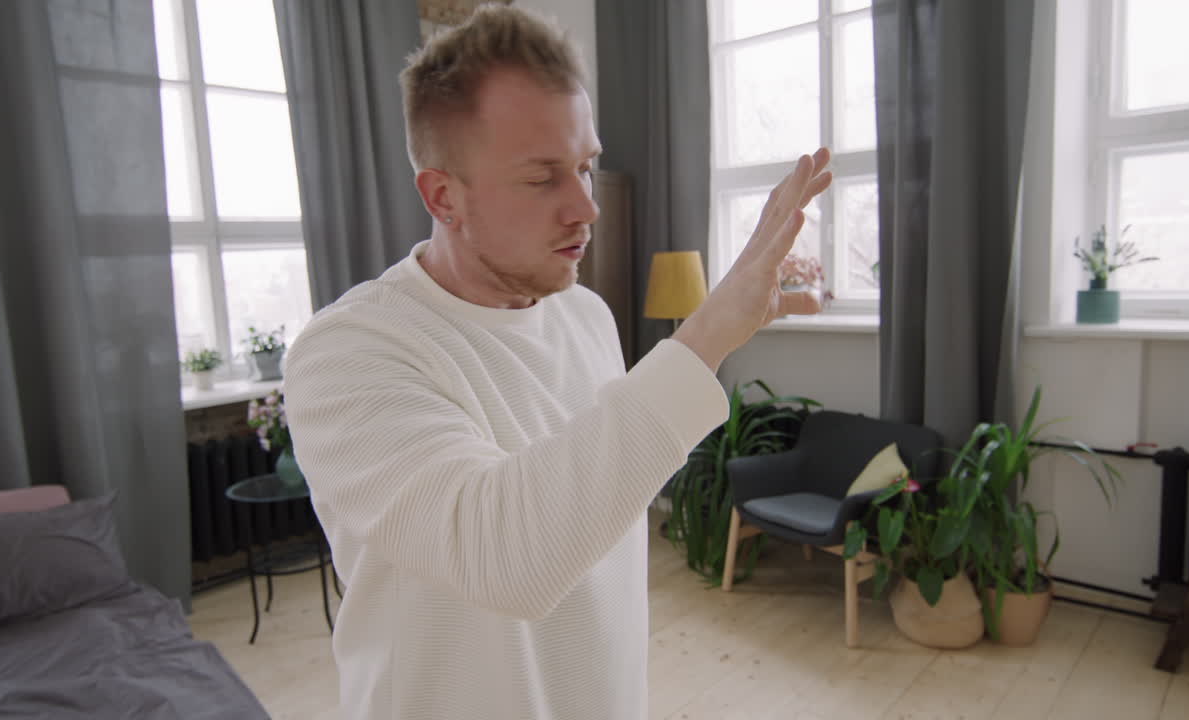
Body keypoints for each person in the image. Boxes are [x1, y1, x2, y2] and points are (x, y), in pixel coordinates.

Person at [283, 6, 831, 719]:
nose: (586, 207)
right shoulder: (347, 353)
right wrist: (708, 333)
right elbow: (503, 557)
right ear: (444, 195)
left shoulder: (588, 316)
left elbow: (597, 533)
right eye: (543, 178)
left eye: (586, 166)